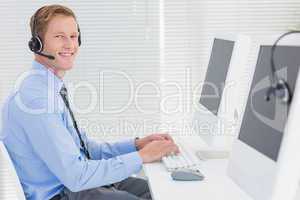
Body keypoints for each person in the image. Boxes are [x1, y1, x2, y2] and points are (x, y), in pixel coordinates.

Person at [0, 4, 179, 200]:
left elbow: (86, 151)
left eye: (74, 36)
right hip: (63, 192)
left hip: (73, 185)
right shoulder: (37, 99)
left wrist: (137, 146)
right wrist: (142, 157)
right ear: (37, 44)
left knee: (162, 191)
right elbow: (77, 176)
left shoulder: (48, 87)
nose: (70, 45)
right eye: (60, 37)